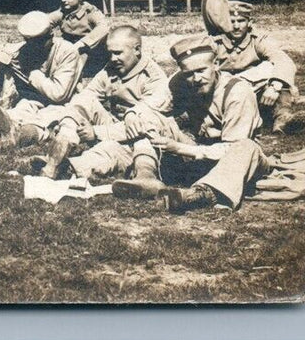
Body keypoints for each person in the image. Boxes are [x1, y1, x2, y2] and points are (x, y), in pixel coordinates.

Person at [111, 37, 269, 212]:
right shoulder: (181, 80)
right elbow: (150, 106)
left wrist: (178, 148)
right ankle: (145, 176)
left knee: (246, 147)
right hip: (198, 152)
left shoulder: (238, 92)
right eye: (189, 73)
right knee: (149, 116)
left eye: (202, 70)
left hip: (238, 163)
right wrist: (132, 114)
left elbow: (231, 148)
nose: (196, 79)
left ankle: (198, 195)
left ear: (216, 64)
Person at [26, 25, 175, 180]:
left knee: (108, 150)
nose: (112, 58)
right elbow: (88, 95)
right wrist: (70, 122)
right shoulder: (113, 68)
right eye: (110, 53)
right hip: (117, 125)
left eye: (118, 53)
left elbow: (143, 125)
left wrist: (96, 132)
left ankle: (66, 166)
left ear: (137, 50)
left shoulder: (155, 80)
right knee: (83, 100)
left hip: (144, 138)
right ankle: (57, 155)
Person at [0, 10, 83, 149]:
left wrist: (32, 73)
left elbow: (59, 94)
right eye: (28, 41)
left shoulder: (67, 51)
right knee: (21, 109)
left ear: (50, 36)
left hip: (64, 104)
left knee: (43, 120)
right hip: (35, 101)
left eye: (38, 42)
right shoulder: (23, 50)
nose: (32, 46)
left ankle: (17, 136)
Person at [202, 0, 297, 132]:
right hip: (225, 94)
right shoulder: (215, 41)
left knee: (278, 77)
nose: (236, 26)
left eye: (241, 21)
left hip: (255, 92)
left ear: (250, 22)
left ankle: (283, 119)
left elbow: (282, 60)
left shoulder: (258, 39)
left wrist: (274, 86)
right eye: (231, 21)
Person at [44, 0, 110, 84]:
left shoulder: (90, 12)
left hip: (89, 50)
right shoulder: (63, 12)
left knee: (72, 72)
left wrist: (81, 43)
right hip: (71, 48)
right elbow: (45, 21)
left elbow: (104, 27)